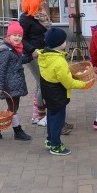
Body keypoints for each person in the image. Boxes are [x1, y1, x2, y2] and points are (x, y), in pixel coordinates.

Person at [20, 0, 74, 134]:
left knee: (41, 84)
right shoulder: (25, 18)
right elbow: (22, 38)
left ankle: (39, 115)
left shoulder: (41, 15)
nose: (44, 2)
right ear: (33, 0)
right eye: (41, 0)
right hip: (34, 56)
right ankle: (47, 117)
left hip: (47, 54)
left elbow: (49, 32)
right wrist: (32, 50)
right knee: (44, 83)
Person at [38, 27, 91, 156]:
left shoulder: (44, 56)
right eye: (64, 40)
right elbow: (67, 82)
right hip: (57, 94)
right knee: (58, 120)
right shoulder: (59, 61)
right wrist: (83, 84)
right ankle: (56, 146)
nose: (66, 42)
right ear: (59, 43)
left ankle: (50, 140)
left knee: (51, 117)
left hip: (48, 92)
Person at [0, 21, 31, 141]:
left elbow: (18, 61)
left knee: (13, 108)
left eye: (19, 36)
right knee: (13, 109)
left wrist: (31, 57)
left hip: (15, 84)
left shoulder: (14, 49)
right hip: (9, 85)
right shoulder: (5, 51)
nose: (17, 38)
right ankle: (17, 131)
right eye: (15, 35)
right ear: (8, 36)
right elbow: (1, 69)